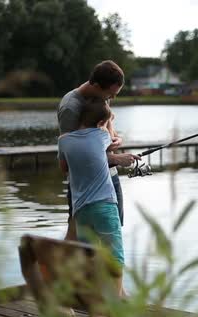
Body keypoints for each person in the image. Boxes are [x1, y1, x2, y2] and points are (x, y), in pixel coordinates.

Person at [57, 60, 139, 240]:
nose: (112, 98)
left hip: (111, 180)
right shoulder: (71, 107)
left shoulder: (102, 98)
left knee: (113, 236)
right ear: (94, 85)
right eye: (110, 93)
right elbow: (72, 158)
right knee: (81, 243)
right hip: (86, 190)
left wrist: (117, 139)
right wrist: (116, 159)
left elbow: (108, 133)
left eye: (114, 94)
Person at [58, 99, 125, 296]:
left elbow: (64, 169)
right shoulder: (102, 136)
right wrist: (110, 122)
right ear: (100, 123)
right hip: (105, 205)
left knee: (88, 256)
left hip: (80, 209)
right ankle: (112, 309)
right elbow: (114, 141)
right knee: (115, 258)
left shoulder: (64, 140)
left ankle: (92, 308)